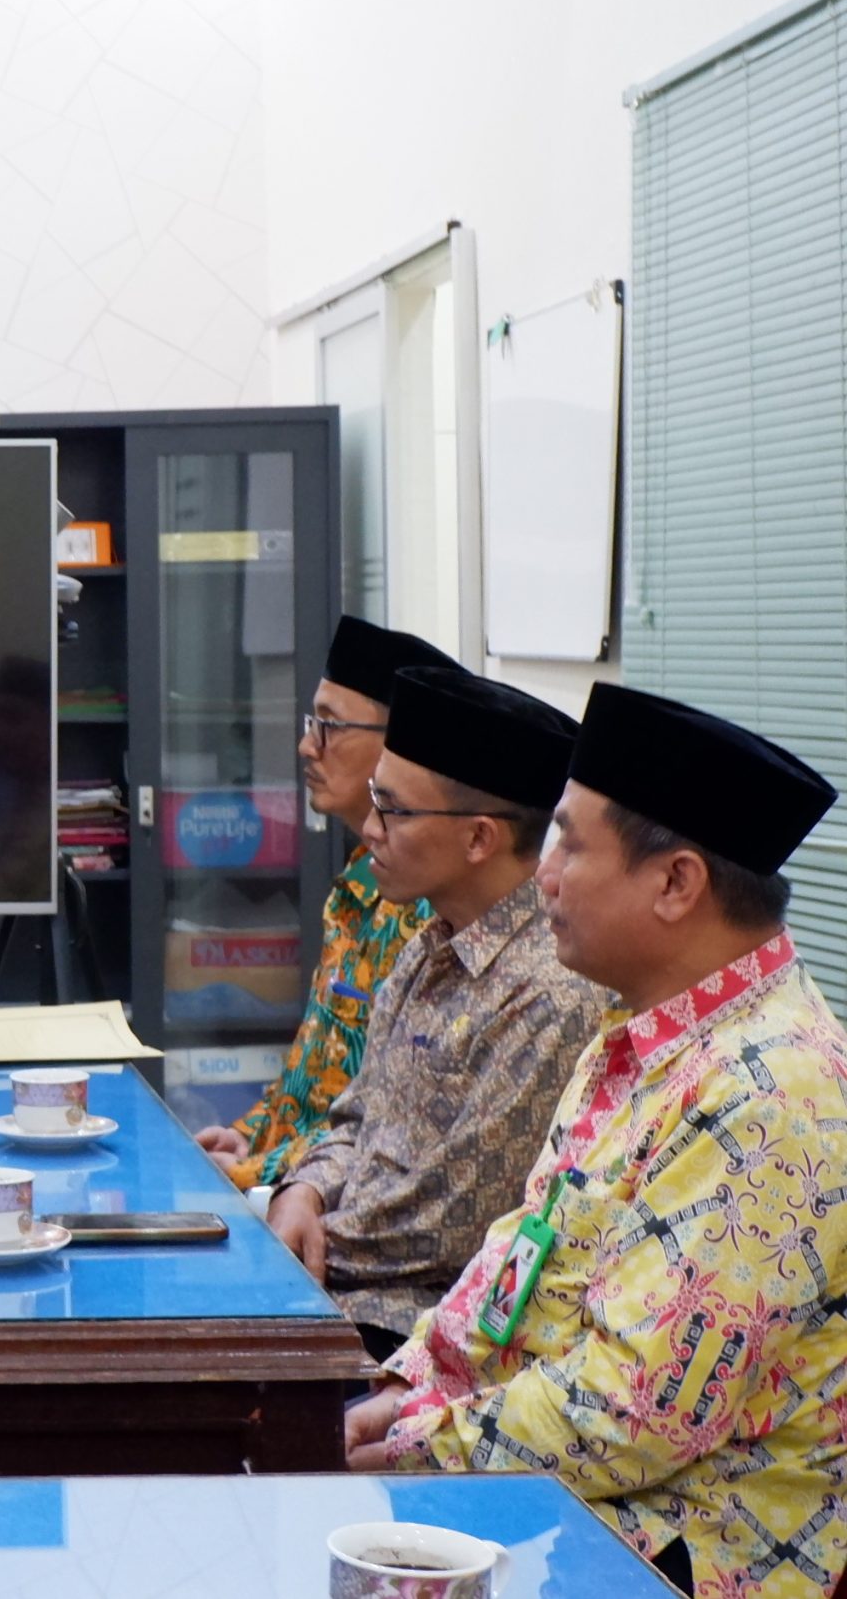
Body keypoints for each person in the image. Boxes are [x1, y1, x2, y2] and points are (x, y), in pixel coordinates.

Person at [349, 684, 847, 1599]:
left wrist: (412, 1441)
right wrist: (408, 1380)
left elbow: (634, 1413)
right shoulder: (643, 1038)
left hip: (662, 1555)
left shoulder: (775, 1092)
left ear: (676, 883)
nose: (542, 871)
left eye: (571, 843)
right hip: (551, 1499)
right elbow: (517, 1260)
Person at [266, 666, 608, 1359]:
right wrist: (302, 1189)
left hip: (416, 1336)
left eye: (393, 810)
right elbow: (357, 1117)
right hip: (333, 1292)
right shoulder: (428, 948)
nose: (368, 830)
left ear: (480, 838)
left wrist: (298, 1234)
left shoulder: (548, 990)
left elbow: (455, 1220)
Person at [194, 616, 457, 1189]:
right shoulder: (359, 881)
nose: (307, 745)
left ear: (396, 746)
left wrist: (248, 1172)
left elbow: (383, 1119)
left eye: (331, 727)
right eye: (312, 721)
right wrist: (252, 1133)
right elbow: (317, 1066)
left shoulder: (425, 911)